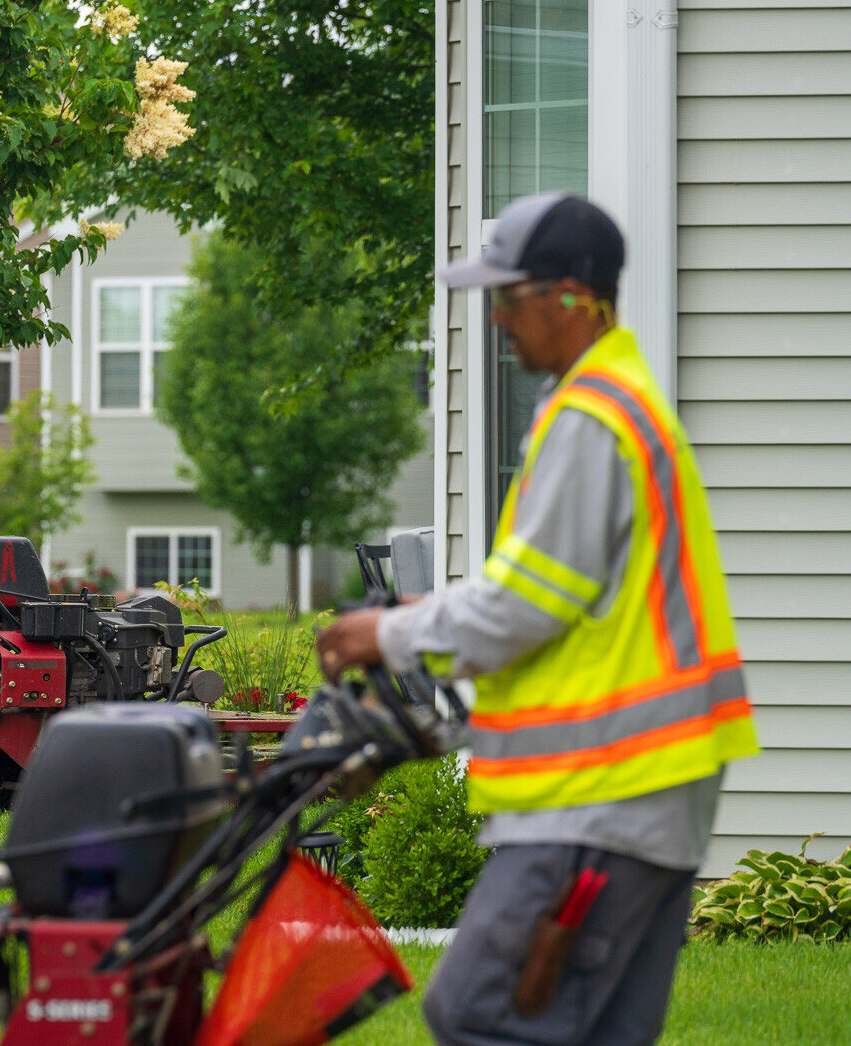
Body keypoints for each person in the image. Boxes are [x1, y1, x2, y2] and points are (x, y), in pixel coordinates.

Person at [316, 192, 759, 1046]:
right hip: (643, 794)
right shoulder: (621, 404)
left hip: (602, 798)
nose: (496, 320)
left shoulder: (590, 420)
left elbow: (523, 606)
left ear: (572, 296)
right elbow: (554, 590)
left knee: (478, 1012)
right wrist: (429, 613)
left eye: (508, 297)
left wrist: (389, 634)